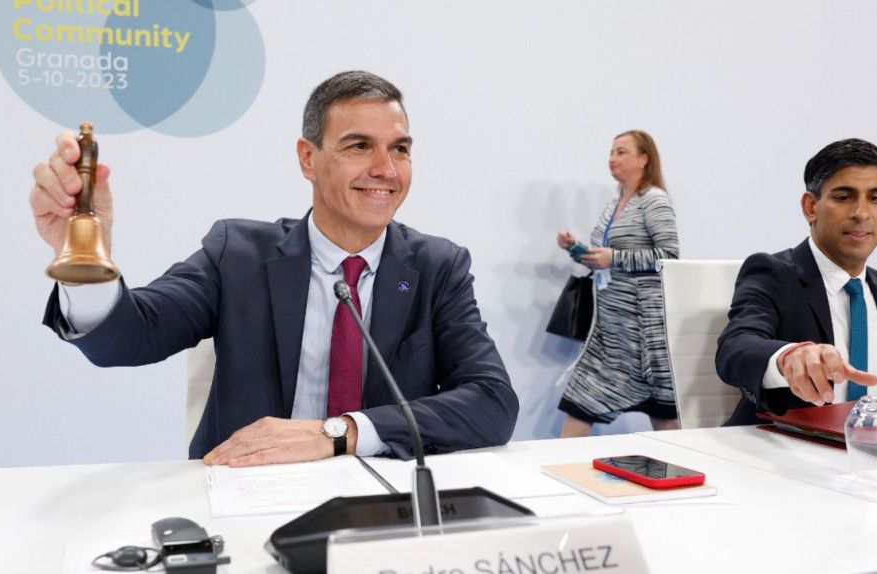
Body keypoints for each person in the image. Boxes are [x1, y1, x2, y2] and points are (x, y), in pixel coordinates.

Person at [31, 71, 519, 465]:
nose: (386, 170)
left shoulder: (438, 267)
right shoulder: (238, 254)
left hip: (382, 501)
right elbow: (128, 339)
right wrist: (84, 255)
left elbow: (492, 401)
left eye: (400, 149)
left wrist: (340, 433)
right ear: (308, 159)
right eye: (359, 146)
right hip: (250, 491)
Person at [716, 138, 877, 426]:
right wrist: (788, 357)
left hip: (864, 451)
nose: (861, 213)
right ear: (811, 206)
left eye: (875, 198)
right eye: (844, 197)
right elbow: (735, 348)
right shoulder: (772, 272)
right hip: (775, 444)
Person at [555, 130, 680, 436]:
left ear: (644, 159)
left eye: (621, 152)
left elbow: (669, 255)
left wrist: (615, 258)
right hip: (611, 327)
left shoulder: (654, 200)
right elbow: (605, 257)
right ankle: (564, 461)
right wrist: (577, 249)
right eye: (611, 152)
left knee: (662, 409)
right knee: (582, 398)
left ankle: (683, 460)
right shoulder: (615, 204)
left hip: (642, 329)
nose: (612, 158)